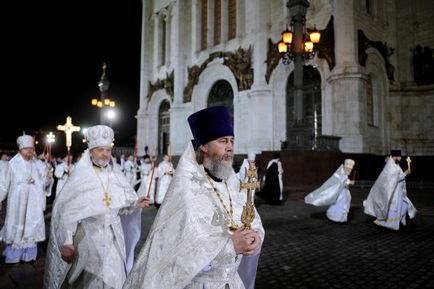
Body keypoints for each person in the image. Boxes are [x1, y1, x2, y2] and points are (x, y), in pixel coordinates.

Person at [123, 106, 265, 289]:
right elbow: (177, 257)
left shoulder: (233, 183)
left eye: (231, 141)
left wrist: (256, 238)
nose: (230, 147)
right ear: (204, 146)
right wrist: (229, 248)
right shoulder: (186, 190)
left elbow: (253, 220)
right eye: (222, 141)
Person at [43, 125, 150, 289]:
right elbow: (69, 212)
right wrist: (67, 240)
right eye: (100, 149)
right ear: (91, 150)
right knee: (91, 280)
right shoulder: (81, 177)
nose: (105, 154)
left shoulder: (115, 175)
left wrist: (135, 204)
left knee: (114, 279)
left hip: (114, 239)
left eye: (108, 150)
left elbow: (119, 206)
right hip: (89, 238)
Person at [0, 134, 53, 264]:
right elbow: (4, 184)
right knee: (17, 229)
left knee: (30, 229)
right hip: (17, 203)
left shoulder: (39, 164)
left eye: (31, 148)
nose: (29, 151)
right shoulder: (12, 165)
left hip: (33, 203)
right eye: (26, 149)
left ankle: (28, 256)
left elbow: (45, 184)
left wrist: (48, 177)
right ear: (20, 149)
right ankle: (14, 257)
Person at [363, 149, 417, 230]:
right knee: (396, 207)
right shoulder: (391, 166)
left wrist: (404, 174)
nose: (401, 158)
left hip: (398, 191)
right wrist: (405, 173)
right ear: (395, 157)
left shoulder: (395, 165)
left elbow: (397, 177)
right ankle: (388, 223)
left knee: (403, 205)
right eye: (399, 157)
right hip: (393, 192)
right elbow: (395, 178)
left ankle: (399, 221)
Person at [236, 152, 261, 289]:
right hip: (244, 192)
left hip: (250, 194)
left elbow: (258, 227)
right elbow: (242, 179)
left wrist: (257, 236)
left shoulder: (252, 167)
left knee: (250, 208)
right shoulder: (244, 167)